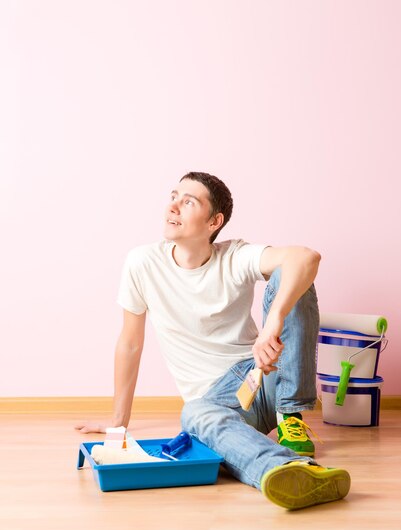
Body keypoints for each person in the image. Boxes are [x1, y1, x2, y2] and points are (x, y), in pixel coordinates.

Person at [75, 172, 351, 510]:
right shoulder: (142, 263)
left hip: (266, 372)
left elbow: (306, 257)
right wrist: (119, 421)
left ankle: (290, 415)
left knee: (293, 277)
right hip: (215, 400)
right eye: (173, 196)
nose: (173, 205)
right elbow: (130, 343)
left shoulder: (233, 256)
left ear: (214, 222)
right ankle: (289, 471)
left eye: (188, 201)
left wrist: (273, 321)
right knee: (194, 415)